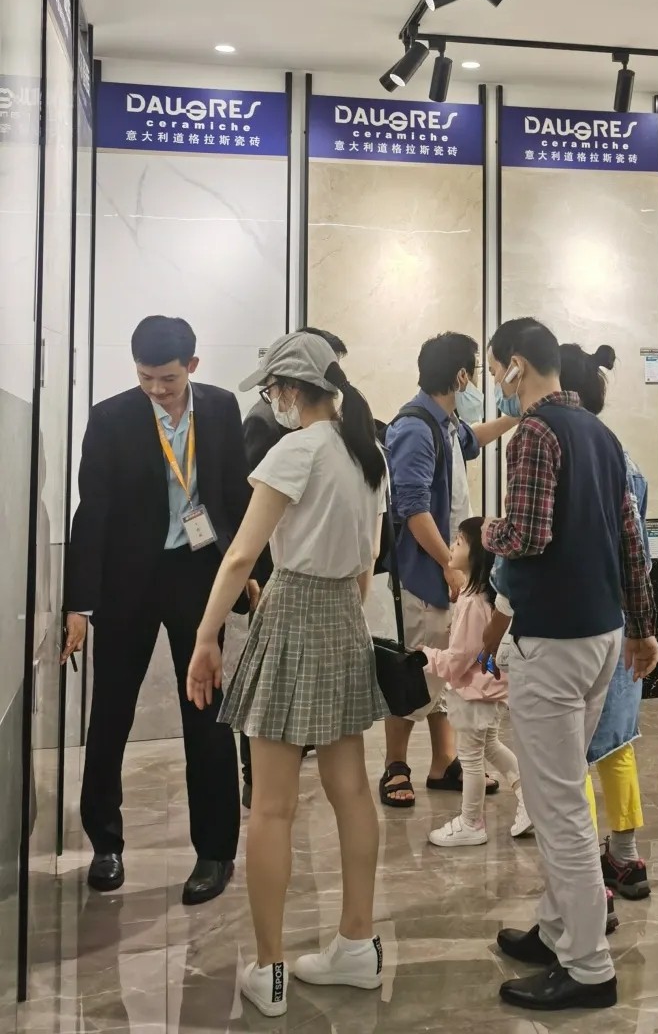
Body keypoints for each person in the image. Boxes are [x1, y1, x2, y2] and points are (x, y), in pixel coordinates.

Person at [186, 331, 388, 1020]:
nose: (270, 400)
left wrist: (206, 635)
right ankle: (357, 945)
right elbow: (366, 563)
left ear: (294, 390)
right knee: (351, 790)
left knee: (272, 806)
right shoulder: (367, 453)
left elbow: (241, 557)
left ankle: (270, 969)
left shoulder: (296, 450)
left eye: (273, 390)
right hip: (343, 616)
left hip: (295, 609)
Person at [482, 318, 658, 1014]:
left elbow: (526, 535)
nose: (497, 384)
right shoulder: (602, 436)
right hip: (601, 638)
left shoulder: (534, 433)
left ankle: (587, 966)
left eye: (496, 371)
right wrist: (643, 627)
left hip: (551, 642)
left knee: (558, 807)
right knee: (564, 788)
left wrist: (485, 532)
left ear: (516, 366)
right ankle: (557, 930)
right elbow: (631, 542)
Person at [61, 316, 251, 905]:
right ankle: (105, 843)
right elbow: (91, 511)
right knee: (111, 711)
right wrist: (79, 603)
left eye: (167, 379)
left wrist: (252, 572)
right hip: (128, 583)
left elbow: (237, 493)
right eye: (145, 378)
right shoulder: (111, 417)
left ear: (191, 366)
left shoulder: (221, 408)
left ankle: (215, 852)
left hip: (198, 575)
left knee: (206, 711)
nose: (156, 390)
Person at [380, 332, 515, 809]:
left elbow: (473, 440)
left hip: (448, 571)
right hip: (424, 575)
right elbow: (413, 508)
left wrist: (516, 415)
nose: (477, 382)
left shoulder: (447, 422)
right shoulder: (415, 427)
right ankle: (395, 765)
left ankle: (444, 762)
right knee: (414, 670)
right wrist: (448, 566)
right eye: (475, 372)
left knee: (447, 668)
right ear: (460, 376)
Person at [557, 344, 653, 903]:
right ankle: (625, 857)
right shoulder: (623, 454)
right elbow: (638, 552)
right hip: (620, 618)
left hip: (580, 622)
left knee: (571, 751)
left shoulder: (569, 451)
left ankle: (590, 882)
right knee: (617, 740)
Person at [239, 326, 348, 806]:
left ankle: (269, 774)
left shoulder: (327, 438)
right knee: (268, 706)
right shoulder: (268, 424)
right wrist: (255, 575)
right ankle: (255, 776)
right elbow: (253, 511)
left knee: (290, 706)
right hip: (286, 578)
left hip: (303, 582)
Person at [421, 517, 530, 848]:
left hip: (473, 695)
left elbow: (459, 658)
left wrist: (426, 656)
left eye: (458, 542)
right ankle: (531, 799)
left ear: (478, 556)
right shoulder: (486, 598)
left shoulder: (471, 602)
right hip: (490, 692)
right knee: (491, 746)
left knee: (470, 759)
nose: (452, 547)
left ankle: (471, 823)